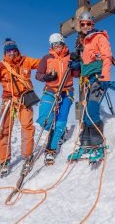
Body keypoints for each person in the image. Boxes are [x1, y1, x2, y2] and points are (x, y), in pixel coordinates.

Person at [0, 38, 40, 177]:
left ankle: (27, 156)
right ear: (5, 52)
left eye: (13, 50)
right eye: (8, 51)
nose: (11, 53)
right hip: (8, 101)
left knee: (27, 127)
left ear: (17, 50)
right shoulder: (0, 67)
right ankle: (4, 161)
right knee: (4, 131)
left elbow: (43, 63)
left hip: (24, 100)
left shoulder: (26, 61)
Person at [68, 11, 115, 163]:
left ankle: (98, 144)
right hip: (88, 80)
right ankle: (86, 143)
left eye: (88, 23)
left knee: (92, 109)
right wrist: (76, 64)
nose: (85, 26)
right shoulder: (83, 43)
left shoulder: (99, 37)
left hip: (99, 79)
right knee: (85, 113)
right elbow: (84, 65)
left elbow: (107, 57)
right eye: (82, 24)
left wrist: (105, 77)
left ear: (92, 24)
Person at [35, 33, 80, 165]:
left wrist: (76, 64)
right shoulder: (46, 58)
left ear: (63, 43)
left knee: (60, 123)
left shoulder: (70, 57)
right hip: (50, 91)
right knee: (45, 120)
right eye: (54, 44)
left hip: (67, 92)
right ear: (51, 45)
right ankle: (56, 134)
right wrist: (46, 77)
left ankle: (51, 149)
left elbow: (76, 75)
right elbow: (38, 74)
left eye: (59, 43)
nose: (57, 46)